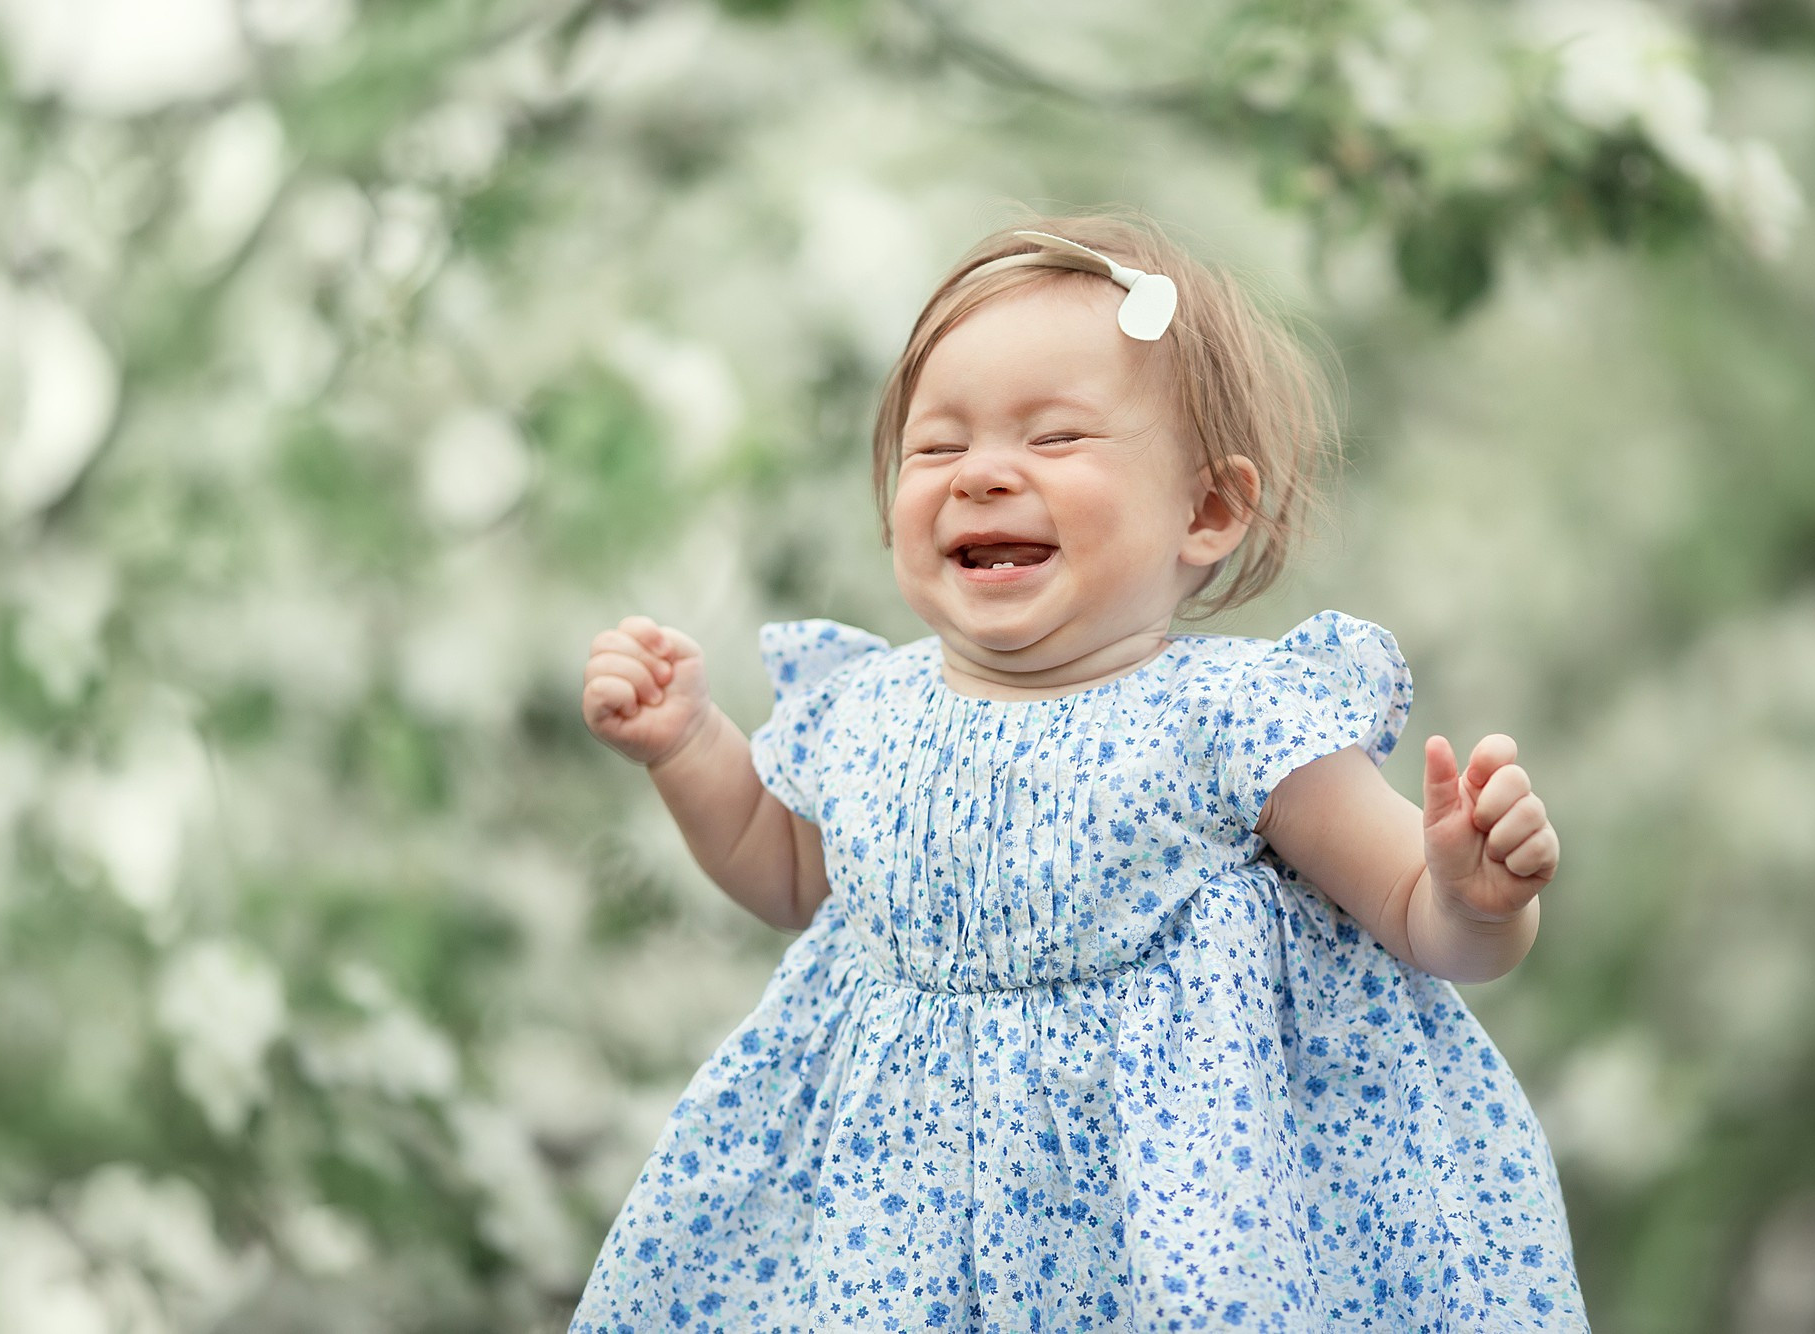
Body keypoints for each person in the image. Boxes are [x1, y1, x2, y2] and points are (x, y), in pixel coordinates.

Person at [574, 211, 1588, 1330]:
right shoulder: (866, 711)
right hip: (888, 1232)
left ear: (1204, 509)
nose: (982, 476)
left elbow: (1415, 916)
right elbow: (783, 872)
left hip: (1160, 1238)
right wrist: (687, 746)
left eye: (1053, 439)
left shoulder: (1226, 719)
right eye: (937, 446)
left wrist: (1471, 893)